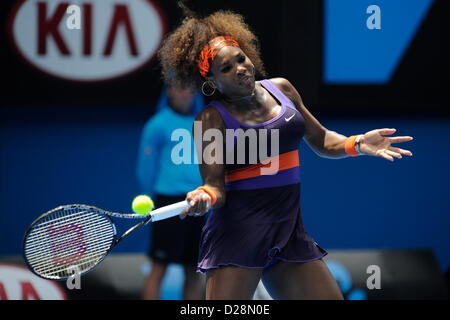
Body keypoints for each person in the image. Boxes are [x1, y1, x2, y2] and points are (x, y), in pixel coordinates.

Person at [158, 4, 414, 300]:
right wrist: (204, 196)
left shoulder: (283, 89)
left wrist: (357, 143)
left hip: (288, 232)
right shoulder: (210, 120)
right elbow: (215, 185)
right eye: (226, 68)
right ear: (212, 82)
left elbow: (322, 140)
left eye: (240, 59)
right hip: (238, 237)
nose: (239, 69)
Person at [136, 81, 206, 300]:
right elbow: (144, 167)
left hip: (199, 202)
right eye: (181, 87)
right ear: (169, 91)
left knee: (194, 270)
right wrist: (150, 197)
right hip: (168, 202)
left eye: (191, 88)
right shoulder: (157, 124)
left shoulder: (205, 122)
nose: (187, 92)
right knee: (159, 267)